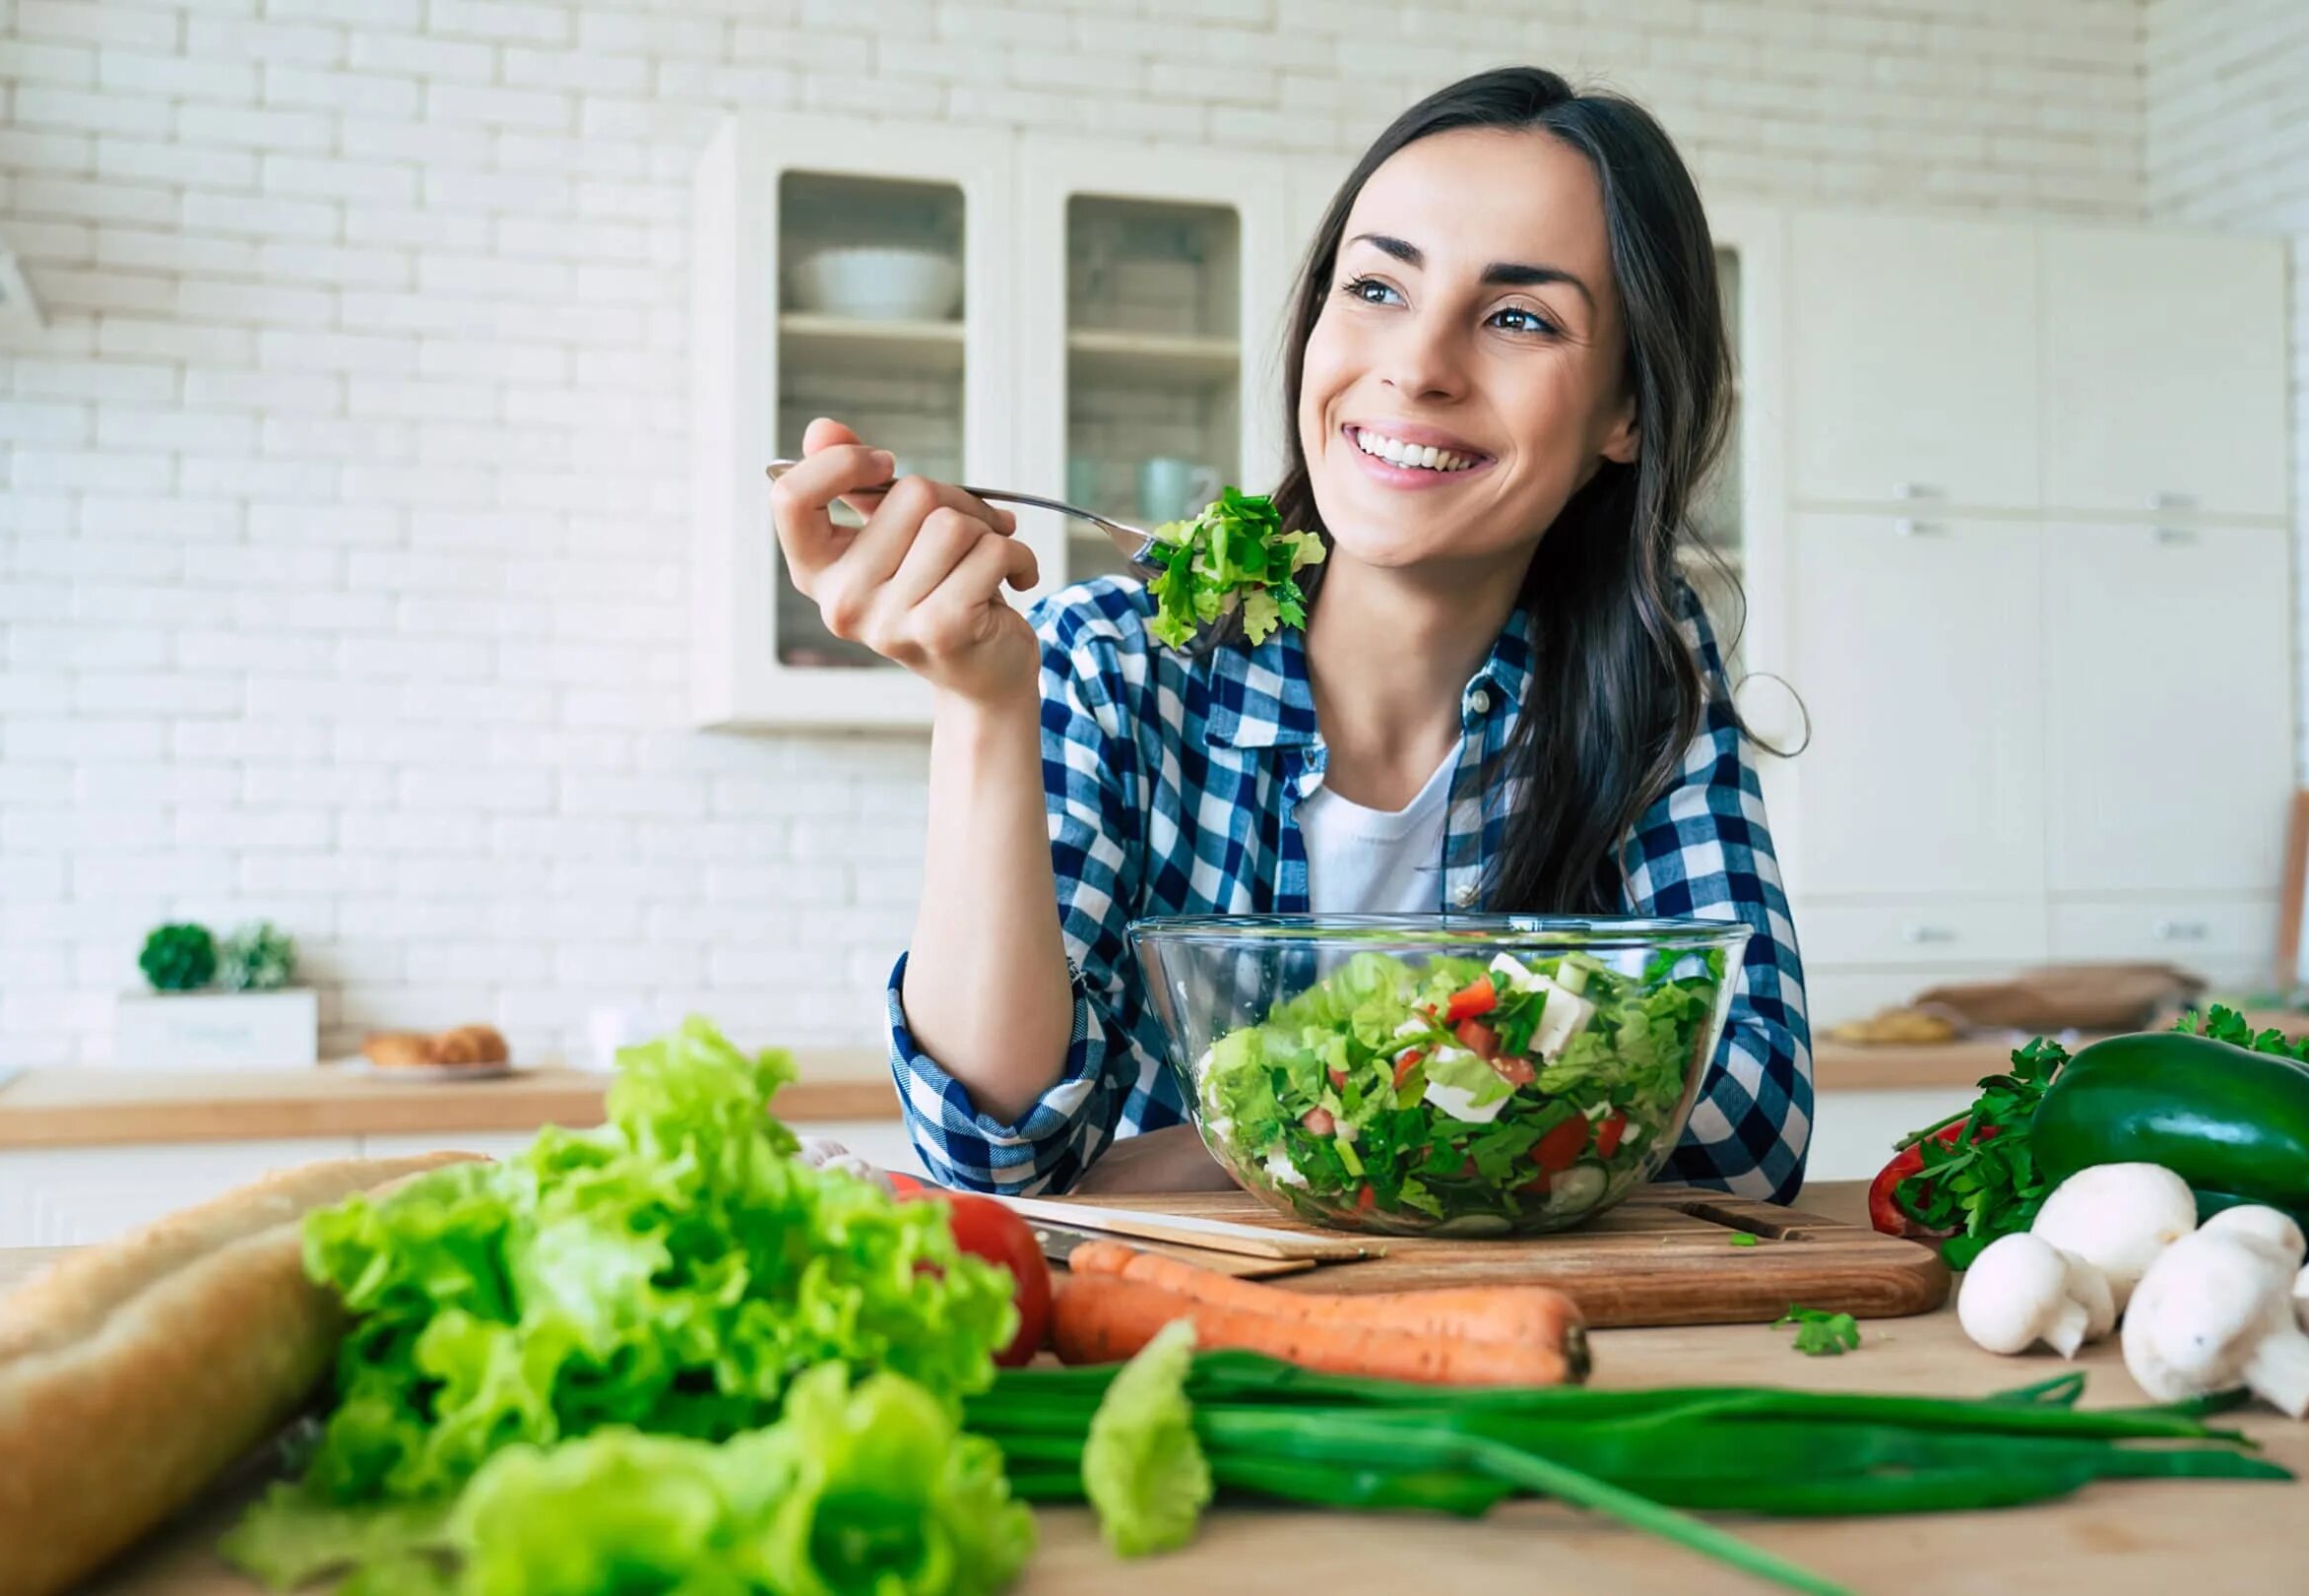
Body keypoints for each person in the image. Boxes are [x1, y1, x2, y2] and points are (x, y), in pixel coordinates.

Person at [767, 67, 1813, 1203]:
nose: (1416, 366)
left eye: (1518, 317)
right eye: (1375, 288)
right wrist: (979, 703)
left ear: (1626, 412)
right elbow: (1000, 1150)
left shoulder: (1647, 672)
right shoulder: (1111, 661)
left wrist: (1227, 1141)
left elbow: (1747, 1123)